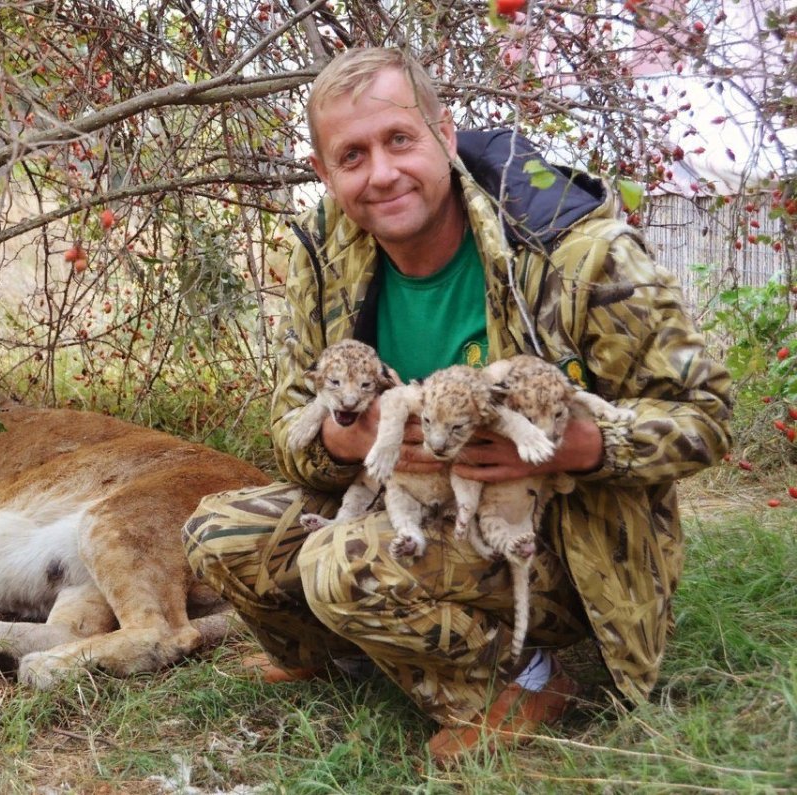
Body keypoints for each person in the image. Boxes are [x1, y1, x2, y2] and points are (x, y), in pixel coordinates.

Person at [182, 47, 732, 763]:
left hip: (553, 533)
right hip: (405, 501)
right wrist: (348, 442)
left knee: (339, 564)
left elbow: (707, 413)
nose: (381, 173)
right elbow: (290, 422)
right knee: (215, 533)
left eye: (399, 139)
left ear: (444, 134)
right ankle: (344, 652)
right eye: (353, 155)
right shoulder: (326, 251)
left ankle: (524, 675)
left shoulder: (573, 248)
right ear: (324, 173)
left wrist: (580, 446)